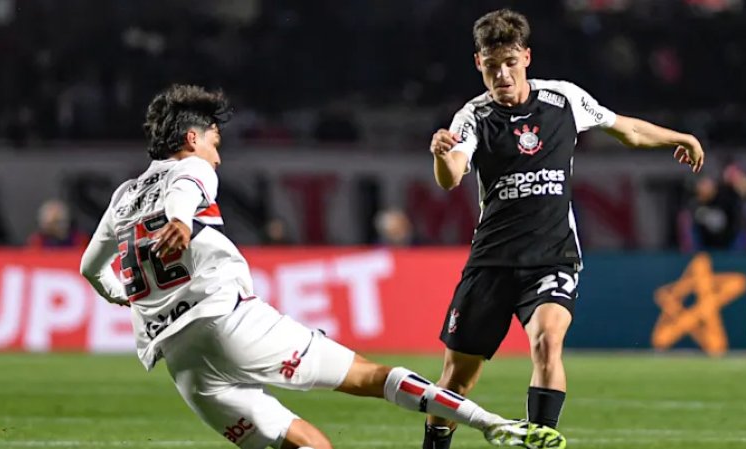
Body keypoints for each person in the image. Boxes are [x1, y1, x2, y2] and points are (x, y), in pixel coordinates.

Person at [79, 84, 566, 449]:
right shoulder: (192, 167)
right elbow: (188, 188)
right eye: (215, 142)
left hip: (183, 361)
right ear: (192, 137)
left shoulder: (123, 196)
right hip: (229, 322)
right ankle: (494, 425)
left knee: (308, 444)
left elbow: (90, 268)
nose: (218, 156)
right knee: (371, 378)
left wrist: (121, 294)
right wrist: (181, 220)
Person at [423, 9, 705, 449]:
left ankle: (541, 441)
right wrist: (442, 155)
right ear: (478, 63)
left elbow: (626, 129)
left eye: (510, 63)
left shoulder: (563, 99)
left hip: (552, 256)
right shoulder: (473, 116)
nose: (502, 75)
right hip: (492, 261)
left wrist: (679, 137)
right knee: (457, 379)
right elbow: (452, 175)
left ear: (526, 57)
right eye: (492, 65)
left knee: (547, 341)